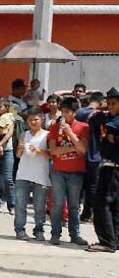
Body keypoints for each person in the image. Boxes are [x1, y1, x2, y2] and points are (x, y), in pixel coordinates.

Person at [48, 96, 90, 246]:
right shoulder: (54, 127)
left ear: (75, 112)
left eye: (67, 112)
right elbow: (53, 150)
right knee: (58, 203)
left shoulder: (83, 127)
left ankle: (75, 234)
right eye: (62, 111)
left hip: (76, 172)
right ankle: (55, 234)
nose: (64, 115)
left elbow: (83, 149)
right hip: (58, 170)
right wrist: (72, 147)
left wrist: (70, 133)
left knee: (73, 205)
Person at [87, 87, 119, 252]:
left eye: (114, 103)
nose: (110, 106)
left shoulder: (115, 122)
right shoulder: (109, 118)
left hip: (112, 167)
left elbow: (110, 132)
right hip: (112, 166)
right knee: (113, 204)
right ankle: (115, 239)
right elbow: (94, 120)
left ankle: (107, 241)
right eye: (109, 103)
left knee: (101, 203)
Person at [13, 110, 51, 241]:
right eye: (30, 120)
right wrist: (20, 147)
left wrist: (39, 151)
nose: (33, 122)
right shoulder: (24, 134)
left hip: (40, 175)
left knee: (40, 206)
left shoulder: (48, 135)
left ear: (42, 120)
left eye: (35, 120)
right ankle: (20, 230)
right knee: (20, 205)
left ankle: (39, 230)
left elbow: (51, 155)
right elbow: (18, 156)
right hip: (23, 173)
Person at [76, 91, 105, 222]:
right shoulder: (100, 115)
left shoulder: (80, 112)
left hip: (78, 153)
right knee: (92, 186)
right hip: (95, 154)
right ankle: (87, 213)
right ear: (101, 102)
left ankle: (73, 210)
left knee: (78, 184)